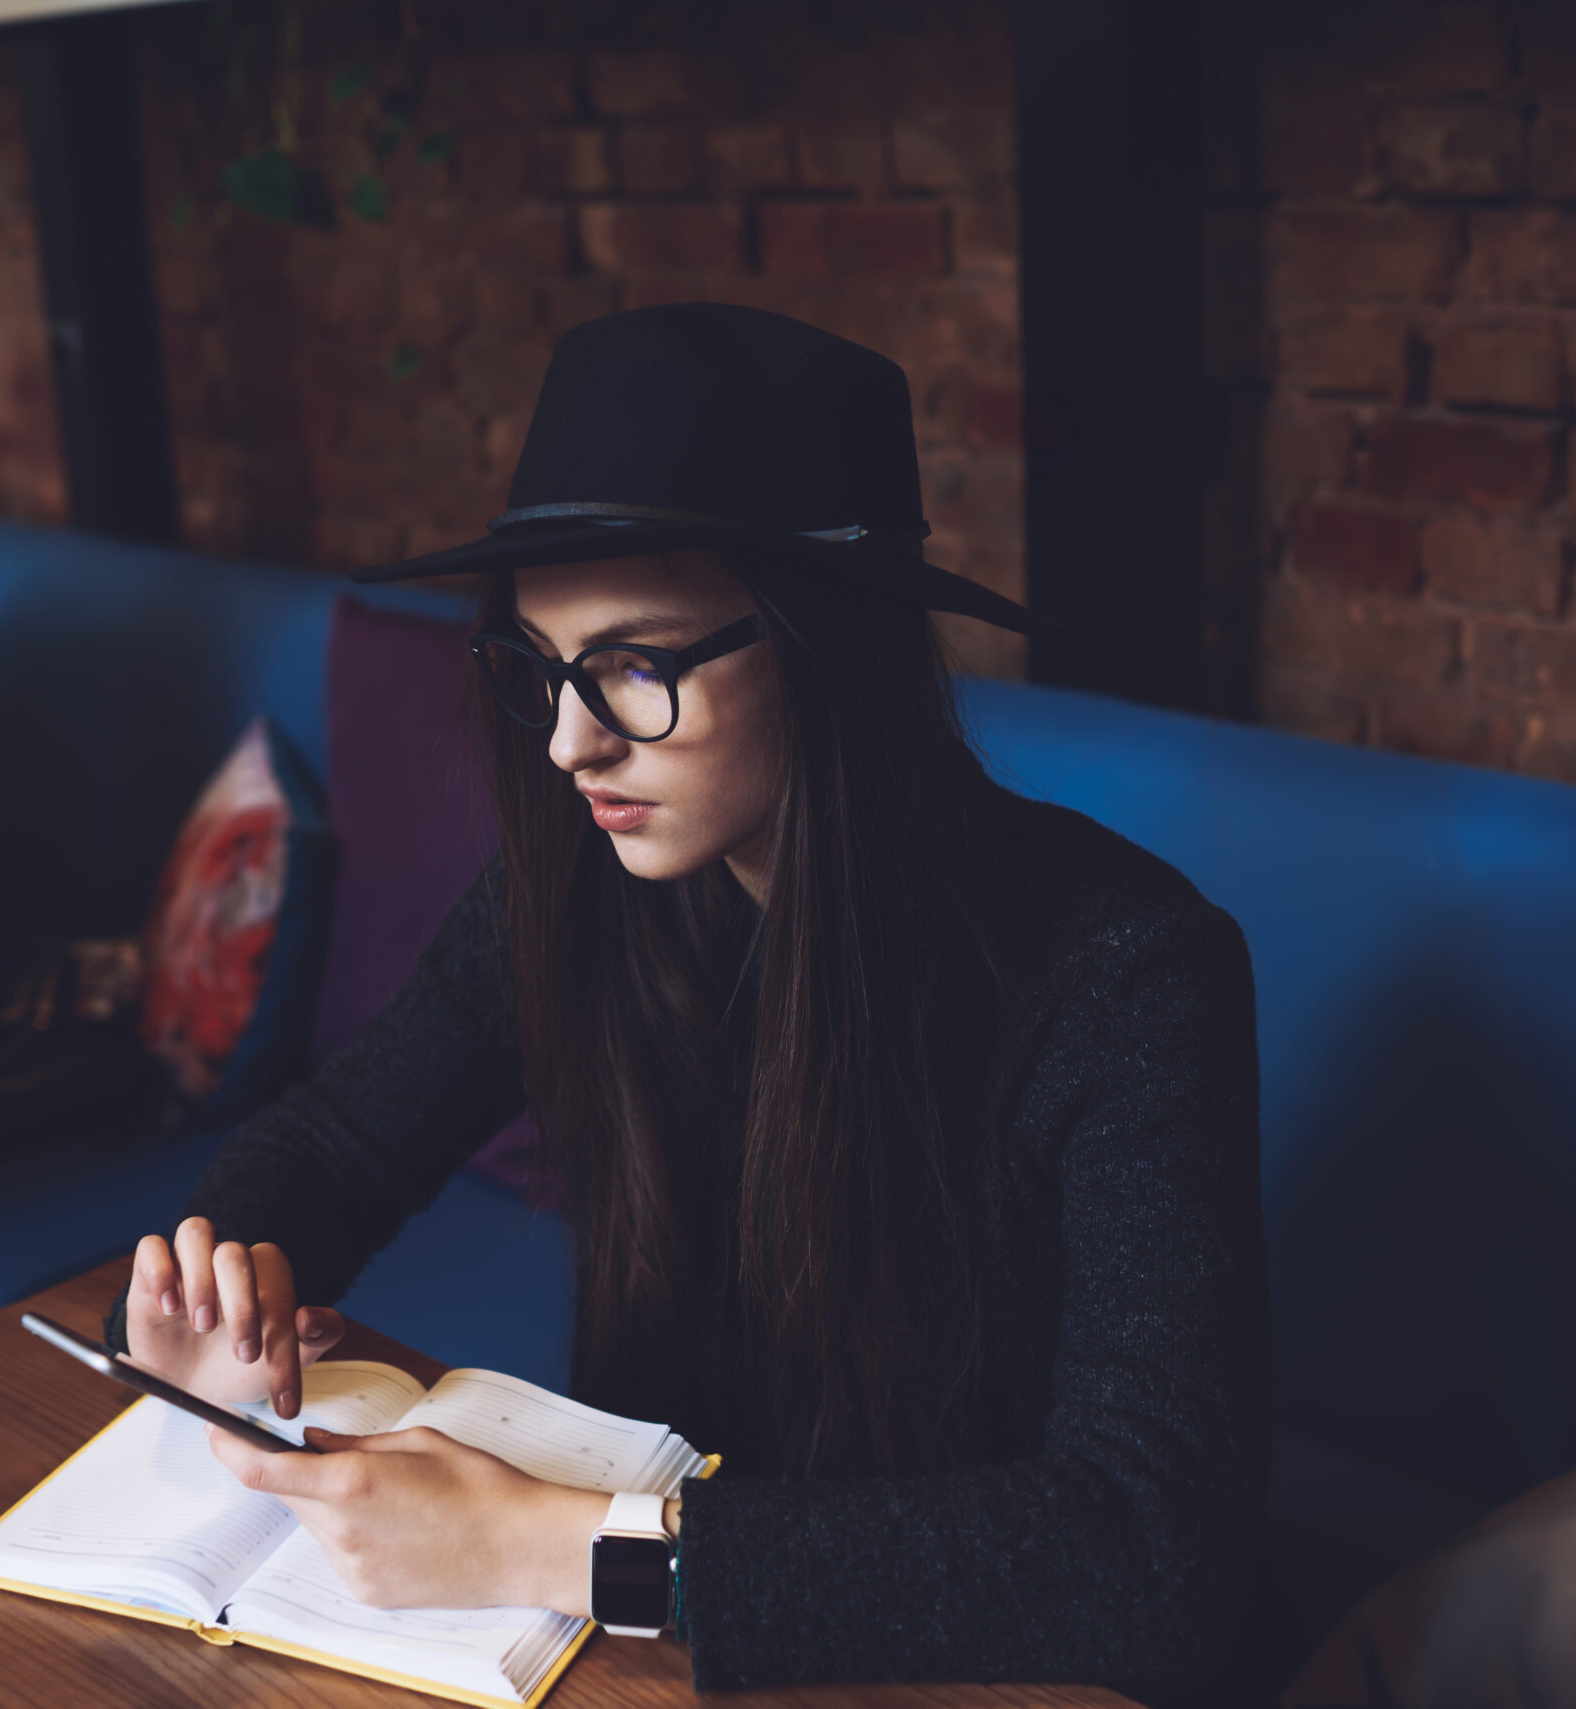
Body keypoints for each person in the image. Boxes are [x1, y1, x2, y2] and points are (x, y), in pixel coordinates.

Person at [106, 306, 1271, 1706]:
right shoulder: (584, 890)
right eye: (541, 665)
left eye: (636, 665)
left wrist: (570, 1549)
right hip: (634, 1656)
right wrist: (225, 1285)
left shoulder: (1127, 972)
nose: (566, 738)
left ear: (826, 649)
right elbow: (339, 1145)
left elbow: (1149, 1561)